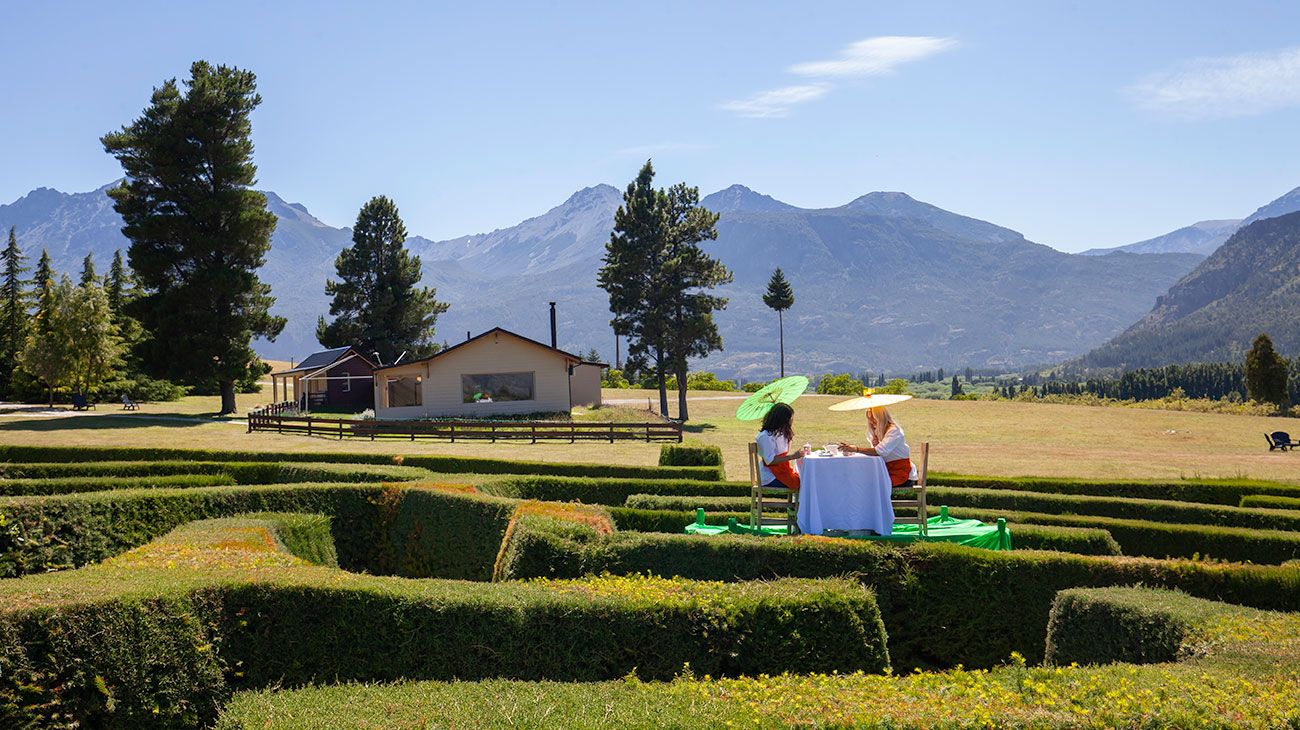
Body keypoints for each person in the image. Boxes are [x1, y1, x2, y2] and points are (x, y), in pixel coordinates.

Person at [838, 406, 917, 488]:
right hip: (886, 470)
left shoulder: (894, 430)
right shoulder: (877, 431)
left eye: (873, 419)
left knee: (871, 486)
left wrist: (856, 449)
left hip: (902, 473)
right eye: (869, 419)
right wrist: (875, 444)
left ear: (881, 417)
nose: (871, 422)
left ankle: (876, 501)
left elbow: (880, 451)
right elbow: (877, 452)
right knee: (860, 481)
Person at [755, 402, 807, 490]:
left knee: (806, 480)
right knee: (805, 484)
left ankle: (801, 504)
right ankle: (801, 504)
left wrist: (789, 437)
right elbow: (770, 461)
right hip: (770, 476)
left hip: (783, 470)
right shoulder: (765, 436)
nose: (792, 421)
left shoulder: (780, 433)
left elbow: (785, 451)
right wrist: (792, 456)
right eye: (790, 418)